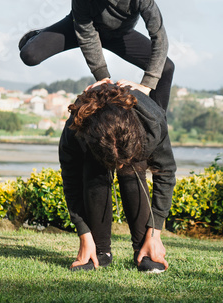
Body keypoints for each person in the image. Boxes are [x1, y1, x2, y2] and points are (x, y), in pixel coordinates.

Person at [19, 0, 174, 111]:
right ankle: (41, 34)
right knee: (29, 55)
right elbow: (86, 35)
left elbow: (159, 35)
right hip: (81, 27)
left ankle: (158, 125)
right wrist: (103, 77)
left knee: (166, 68)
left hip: (119, 34)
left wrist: (146, 85)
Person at [59, 80, 176, 272]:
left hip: (139, 132)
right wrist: (84, 234)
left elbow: (166, 174)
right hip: (91, 143)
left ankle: (144, 250)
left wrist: (155, 234)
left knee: (132, 169)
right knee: (94, 171)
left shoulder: (152, 121)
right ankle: (98, 251)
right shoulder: (76, 126)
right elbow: (71, 180)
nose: (119, 166)